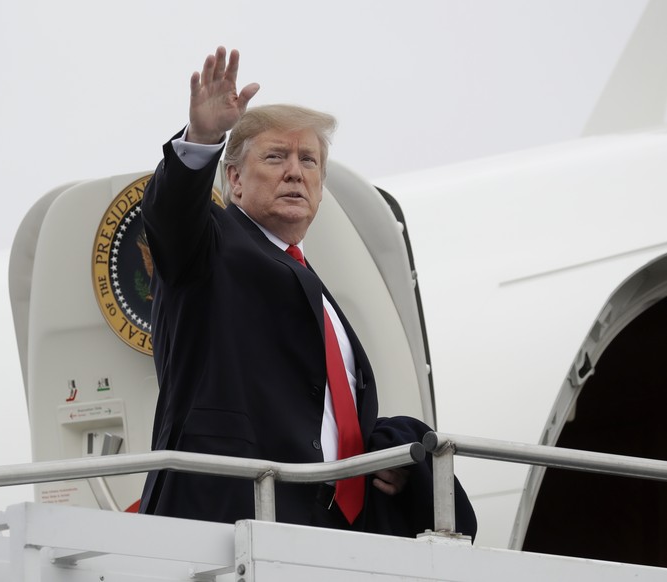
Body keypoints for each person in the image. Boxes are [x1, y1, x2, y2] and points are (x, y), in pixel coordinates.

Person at [140, 46, 476, 536]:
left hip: (320, 528)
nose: (296, 171)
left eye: (309, 161)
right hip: (228, 519)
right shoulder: (209, 248)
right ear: (233, 179)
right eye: (276, 157)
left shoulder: (316, 290)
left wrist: (385, 455)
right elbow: (172, 217)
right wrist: (203, 138)